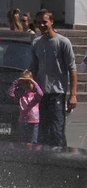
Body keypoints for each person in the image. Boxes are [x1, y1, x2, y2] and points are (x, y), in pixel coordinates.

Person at [29, 8, 77, 147]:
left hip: (57, 93)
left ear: (51, 22)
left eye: (44, 22)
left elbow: (72, 70)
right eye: (39, 22)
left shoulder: (63, 42)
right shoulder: (36, 43)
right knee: (43, 131)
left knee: (57, 130)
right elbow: (33, 67)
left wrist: (73, 95)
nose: (41, 25)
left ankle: (61, 161)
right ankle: (44, 162)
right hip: (41, 93)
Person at [7, 70, 43, 144]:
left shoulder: (35, 95)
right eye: (24, 83)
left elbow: (41, 93)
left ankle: (32, 154)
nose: (26, 85)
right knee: (22, 141)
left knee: (32, 142)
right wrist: (16, 82)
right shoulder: (21, 95)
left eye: (28, 83)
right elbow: (10, 94)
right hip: (23, 121)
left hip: (34, 122)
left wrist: (32, 82)